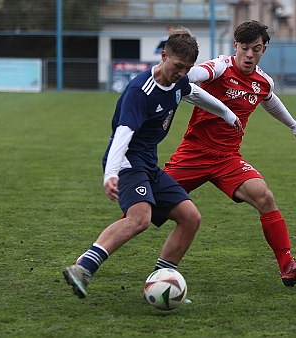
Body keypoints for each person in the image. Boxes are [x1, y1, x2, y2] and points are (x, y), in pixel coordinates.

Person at [63, 28, 242, 299]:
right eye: (178, 66)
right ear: (163, 56)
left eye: (187, 68)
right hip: (127, 161)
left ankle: (162, 281)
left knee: (190, 218)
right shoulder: (140, 90)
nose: (181, 73)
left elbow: (193, 92)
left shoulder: (178, 81)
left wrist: (227, 114)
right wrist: (110, 173)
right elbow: (123, 132)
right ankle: (83, 268)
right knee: (139, 219)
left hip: (148, 164)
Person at [163, 20, 296, 287]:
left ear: (264, 49)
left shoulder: (262, 81)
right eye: (245, 48)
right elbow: (188, 80)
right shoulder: (219, 67)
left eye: (256, 49)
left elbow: (270, 100)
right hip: (194, 154)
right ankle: (92, 258)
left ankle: (288, 266)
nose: (249, 55)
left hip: (228, 159)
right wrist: (222, 110)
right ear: (235, 45)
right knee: (144, 209)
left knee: (265, 196)